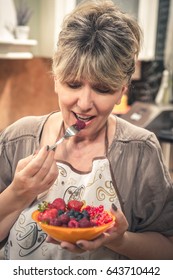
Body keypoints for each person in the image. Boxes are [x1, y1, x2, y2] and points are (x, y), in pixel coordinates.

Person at [0, 0, 173, 260]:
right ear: (56, 80)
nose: (84, 103)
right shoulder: (17, 138)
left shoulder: (141, 150)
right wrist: (17, 193)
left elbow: (167, 252)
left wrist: (121, 240)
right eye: (73, 84)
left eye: (103, 89)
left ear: (121, 92)